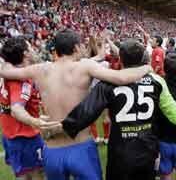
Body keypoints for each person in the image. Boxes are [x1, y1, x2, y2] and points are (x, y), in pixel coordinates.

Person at [0, 30, 152, 180]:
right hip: (81, 147)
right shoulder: (84, 66)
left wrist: (7, 55)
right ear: (75, 48)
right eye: (81, 45)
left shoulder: (40, 69)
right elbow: (120, 78)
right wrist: (146, 68)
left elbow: (5, 71)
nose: (83, 49)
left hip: (53, 150)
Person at [60, 39, 176, 180]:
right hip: (147, 149)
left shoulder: (108, 83)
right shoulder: (157, 81)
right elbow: (174, 112)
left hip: (120, 152)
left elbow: (86, 112)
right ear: (143, 58)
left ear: (121, 59)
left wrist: (60, 127)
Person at [0, 37, 57, 180]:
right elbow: (16, 109)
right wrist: (35, 121)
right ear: (25, 53)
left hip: (10, 135)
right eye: (30, 47)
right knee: (37, 175)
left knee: (21, 174)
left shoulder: (7, 71)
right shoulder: (22, 81)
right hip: (26, 138)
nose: (33, 49)